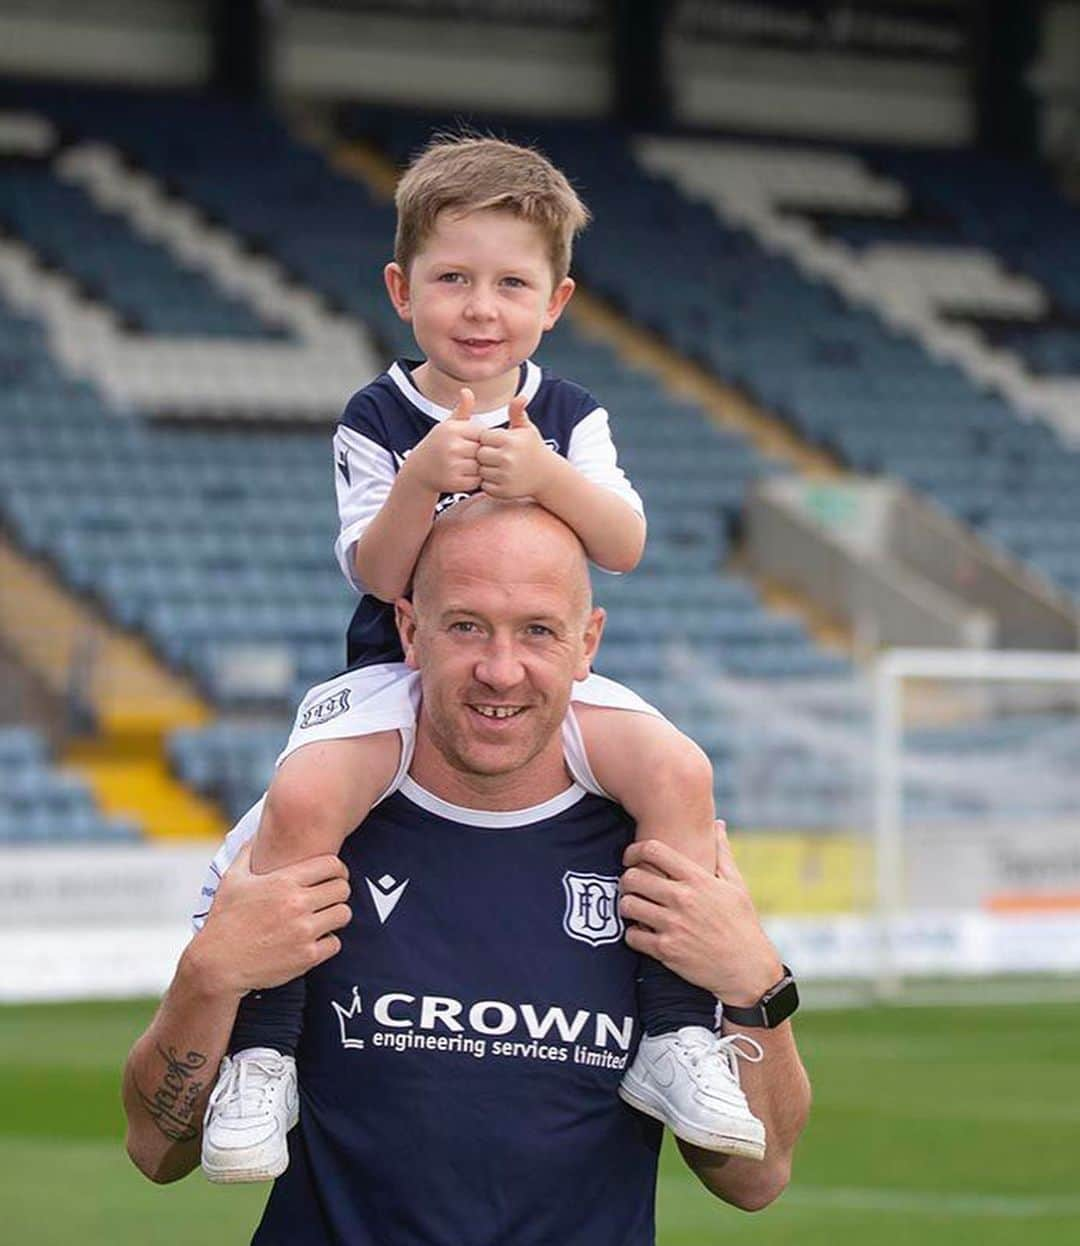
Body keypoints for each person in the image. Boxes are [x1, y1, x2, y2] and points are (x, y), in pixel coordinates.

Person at [199, 133, 750, 1182]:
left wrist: (542, 470)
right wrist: (421, 480)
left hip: (542, 669)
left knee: (679, 771)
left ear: (557, 300)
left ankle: (679, 1032)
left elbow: (623, 545)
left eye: (511, 284)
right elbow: (376, 571)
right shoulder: (375, 416)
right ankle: (263, 1055)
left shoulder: (572, 415)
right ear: (404, 289)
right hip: (400, 674)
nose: (481, 307)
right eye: (453, 279)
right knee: (303, 799)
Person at [123, 499, 811, 1245]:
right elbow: (158, 1150)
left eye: (538, 631)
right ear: (412, 631)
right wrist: (207, 976)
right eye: (466, 626)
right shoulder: (305, 829)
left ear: (588, 644)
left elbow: (757, 1178)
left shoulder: (654, 845)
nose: (500, 670)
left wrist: (756, 984)